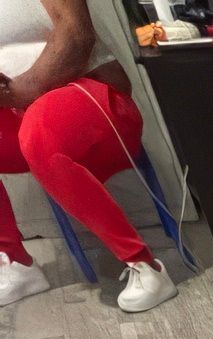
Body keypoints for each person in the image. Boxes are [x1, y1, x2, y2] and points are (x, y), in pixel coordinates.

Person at [0, 0, 176, 311]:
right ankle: (17, 264)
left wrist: (15, 93)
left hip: (94, 100)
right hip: (23, 112)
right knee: (35, 129)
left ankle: (146, 267)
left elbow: (76, 37)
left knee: (39, 130)